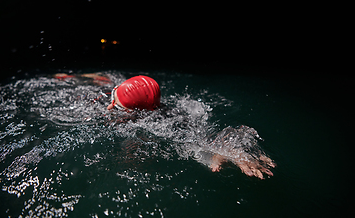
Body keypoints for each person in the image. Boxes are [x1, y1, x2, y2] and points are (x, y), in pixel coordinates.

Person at [55, 73, 275, 179]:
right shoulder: (167, 109)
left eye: (117, 105)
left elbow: (196, 141)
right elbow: (104, 79)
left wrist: (231, 155)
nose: (111, 107)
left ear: (135, 111)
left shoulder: (154, 122)